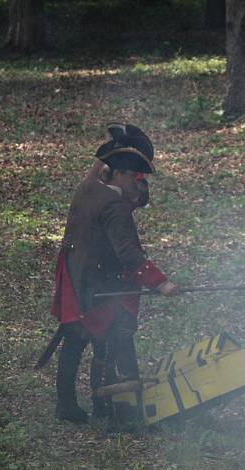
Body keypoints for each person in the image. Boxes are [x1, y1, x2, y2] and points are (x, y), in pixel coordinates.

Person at [45, 123, 179, 423]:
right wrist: (161, 283)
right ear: (119, 174)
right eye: (133, 175)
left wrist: (115, 147)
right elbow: (130, 255)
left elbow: (98, 172)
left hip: (74, 274)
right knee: (106, 339)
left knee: (73, 340)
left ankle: (66, 406)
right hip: (94, 283)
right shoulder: (115, 209)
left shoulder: (89, 188)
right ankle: (107, 409)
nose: (137, 182)